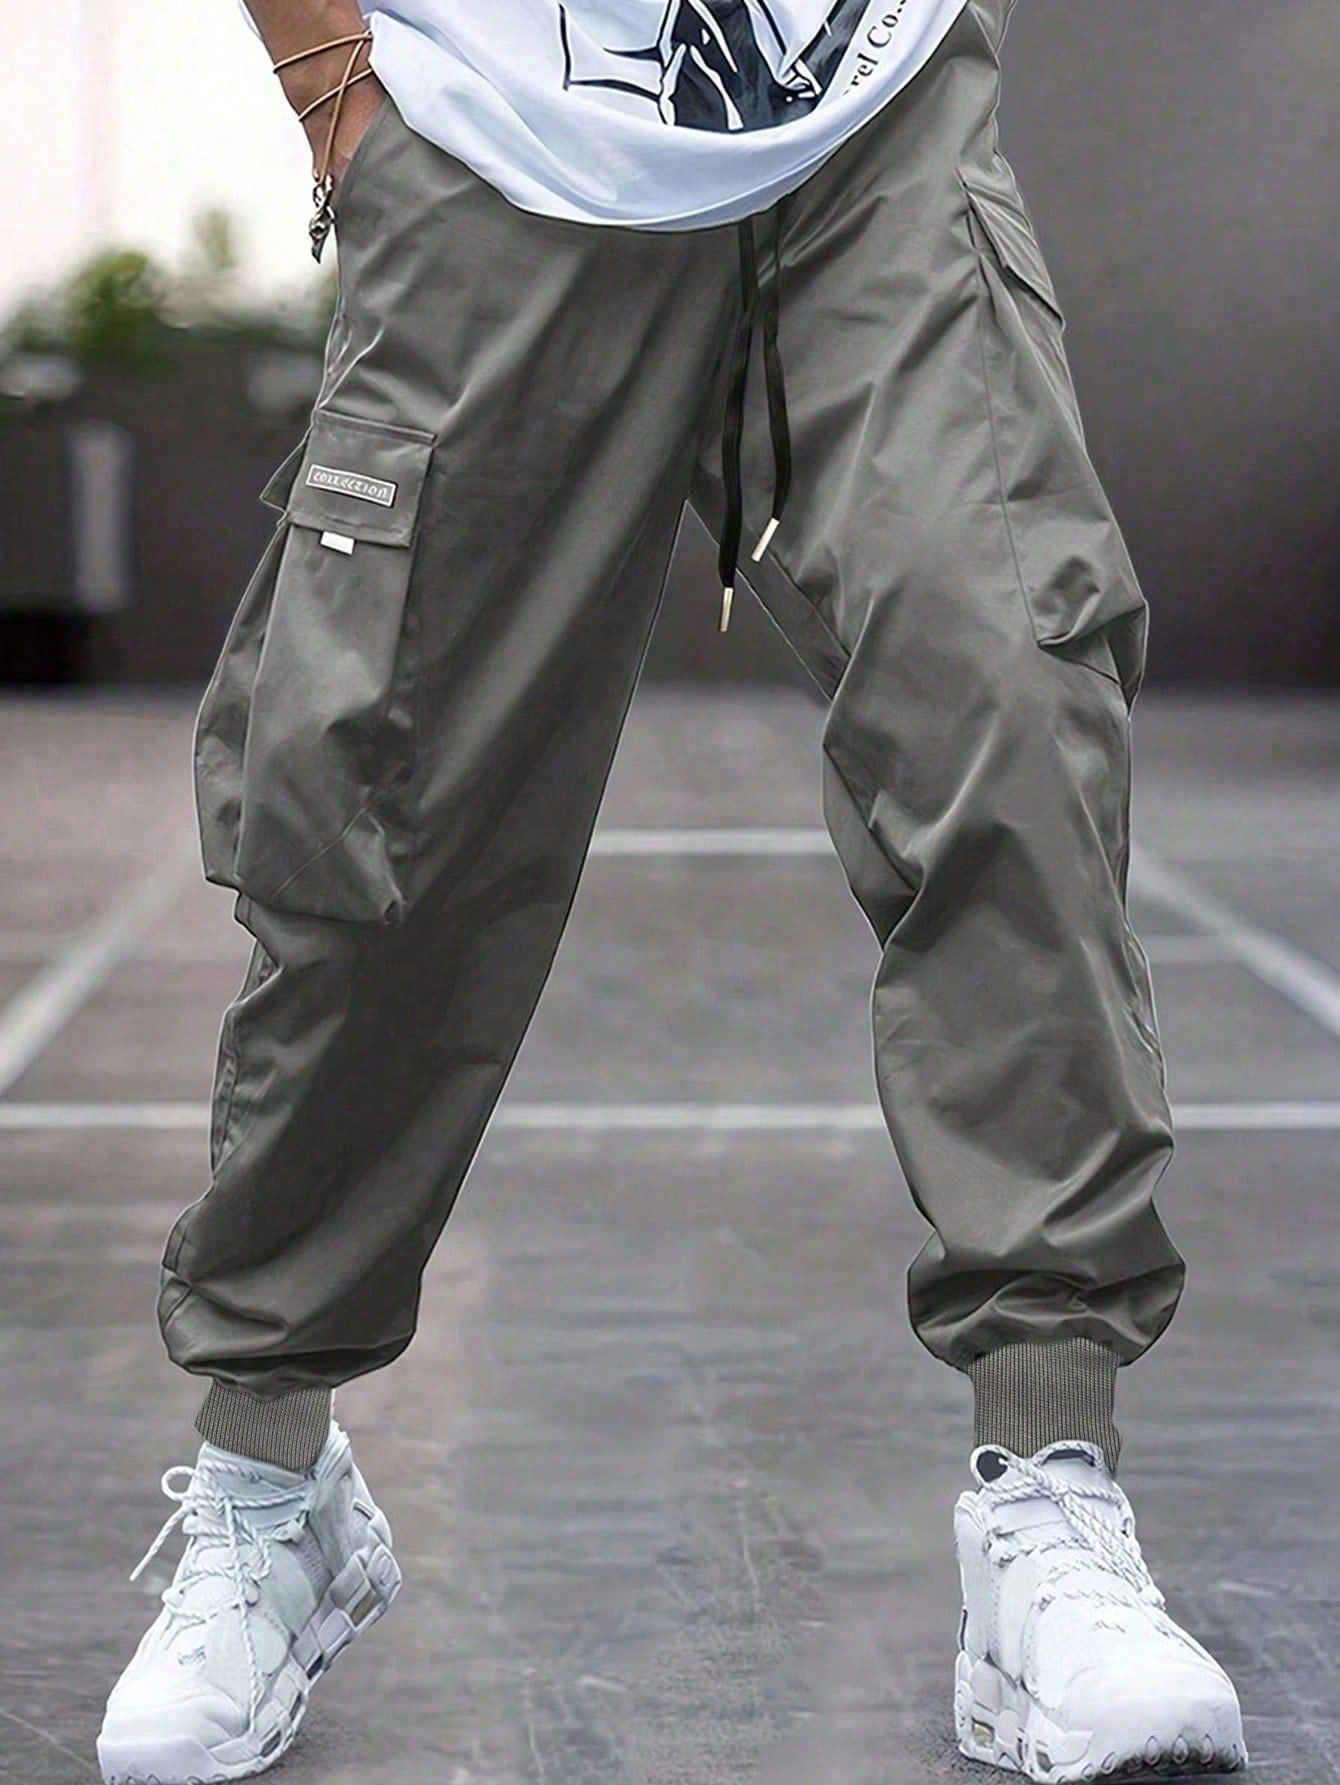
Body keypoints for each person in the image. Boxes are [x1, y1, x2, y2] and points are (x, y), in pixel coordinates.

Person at [98, 2, 1248, 1780]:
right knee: (381, 807)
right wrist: (333, 85)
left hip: (866, 104)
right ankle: (268, 1482)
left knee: (1009, 697)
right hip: (495, 134)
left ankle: (1051, 1490)